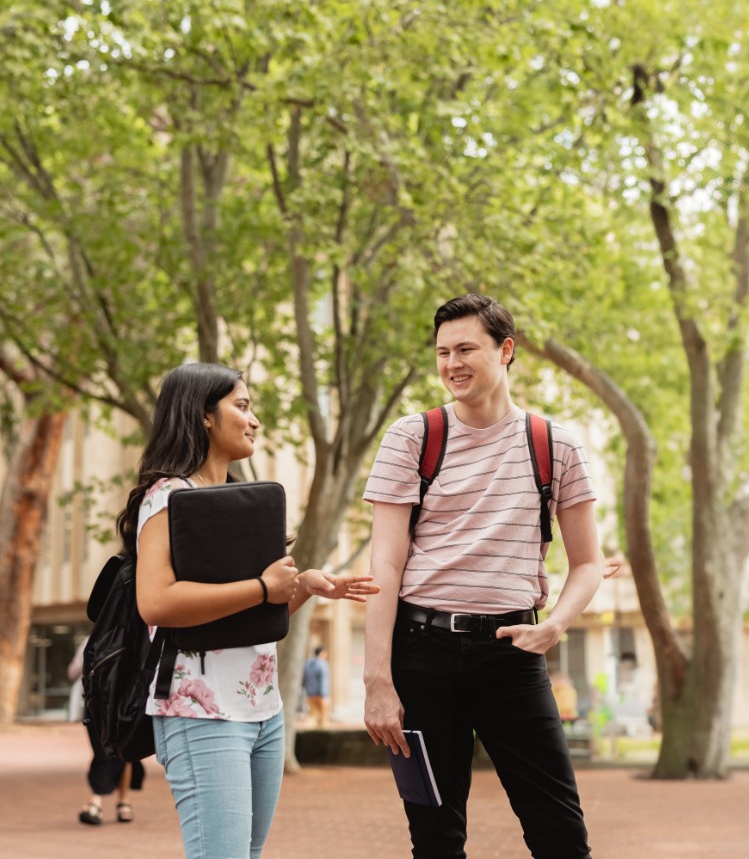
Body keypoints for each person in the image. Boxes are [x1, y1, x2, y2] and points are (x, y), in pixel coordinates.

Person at [363, 294, 603, 859]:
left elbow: (588, 562)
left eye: (466, 348)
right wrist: (378, 680)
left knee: (562, 837)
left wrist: (556, 627)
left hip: (514, 659)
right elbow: (385, 565)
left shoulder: (556, 445)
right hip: (421, 656)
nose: (452, 364)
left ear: (507, 350)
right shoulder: (411, 438)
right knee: (436, 841)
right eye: (443, 352)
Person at [116, 362, 379, 859]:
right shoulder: (168, 497)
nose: (254, 419)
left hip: (264, 712)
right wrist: (262, 586)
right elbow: (155, 603)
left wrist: (302, 588)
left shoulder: (240, 503)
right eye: (242, 405)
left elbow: (256, 619)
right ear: (204, 417)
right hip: (200, 714)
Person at [67, 637, 144, 825]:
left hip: (122, 701)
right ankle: (104, 802)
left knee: (124, 753)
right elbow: (73, 671)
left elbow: (73, 672)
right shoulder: (91, 640)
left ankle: (112, 802)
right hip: (99, 702)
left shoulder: (132, 633)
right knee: (105, 752)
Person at [302, 646, 331, 727]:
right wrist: (325, 695)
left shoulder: (307, 664)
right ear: (321, 653)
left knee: (313, 716)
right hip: (320, 694)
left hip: (310, 694)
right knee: (324, 720)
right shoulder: (322, 664)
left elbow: (304, 679)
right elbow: (324, 680)